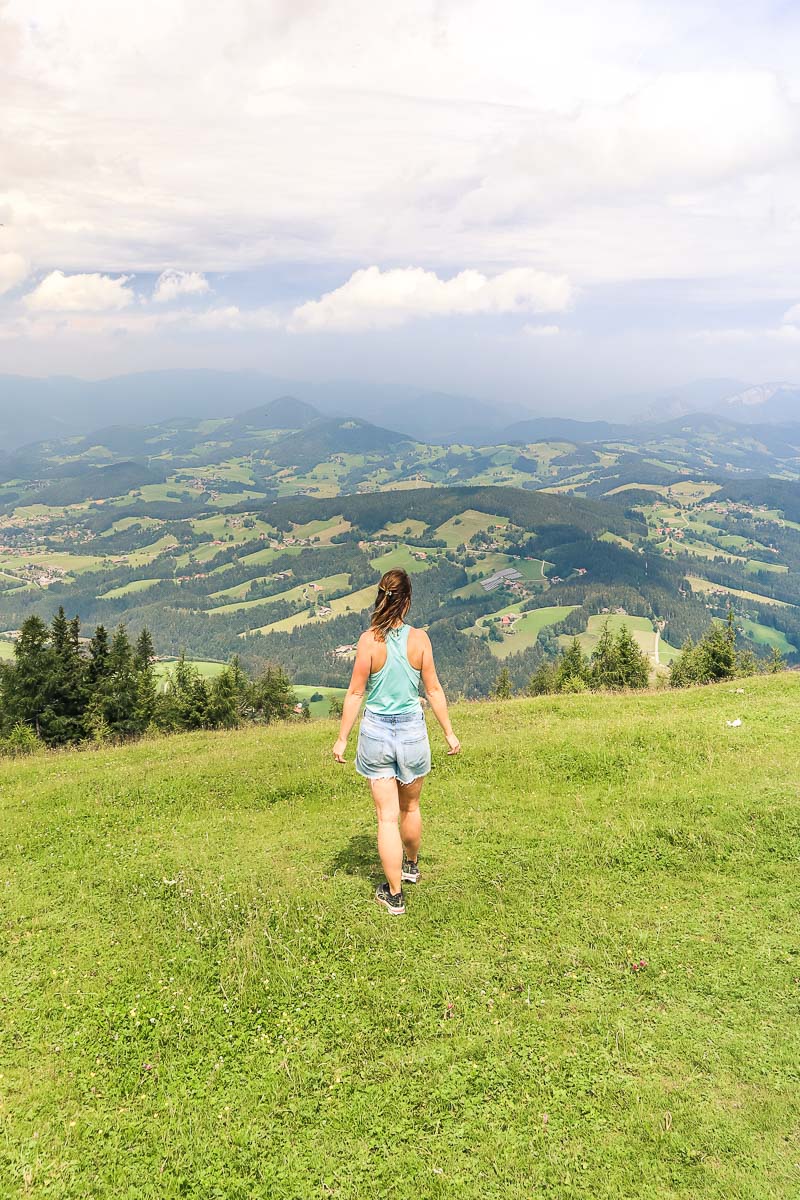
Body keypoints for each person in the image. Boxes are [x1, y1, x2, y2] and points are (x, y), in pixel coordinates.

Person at [332, 567, 460, 915]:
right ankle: (412, 867)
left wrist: (342, 739)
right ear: (407, 601)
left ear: (381, 598)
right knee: (411, 808)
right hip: (412, 732)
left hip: (376, 734)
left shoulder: (368, 641)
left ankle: (394, 896)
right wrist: (449, 732)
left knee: (387, 817)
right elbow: (433, 689)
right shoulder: (420, 639)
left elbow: (356, 693)